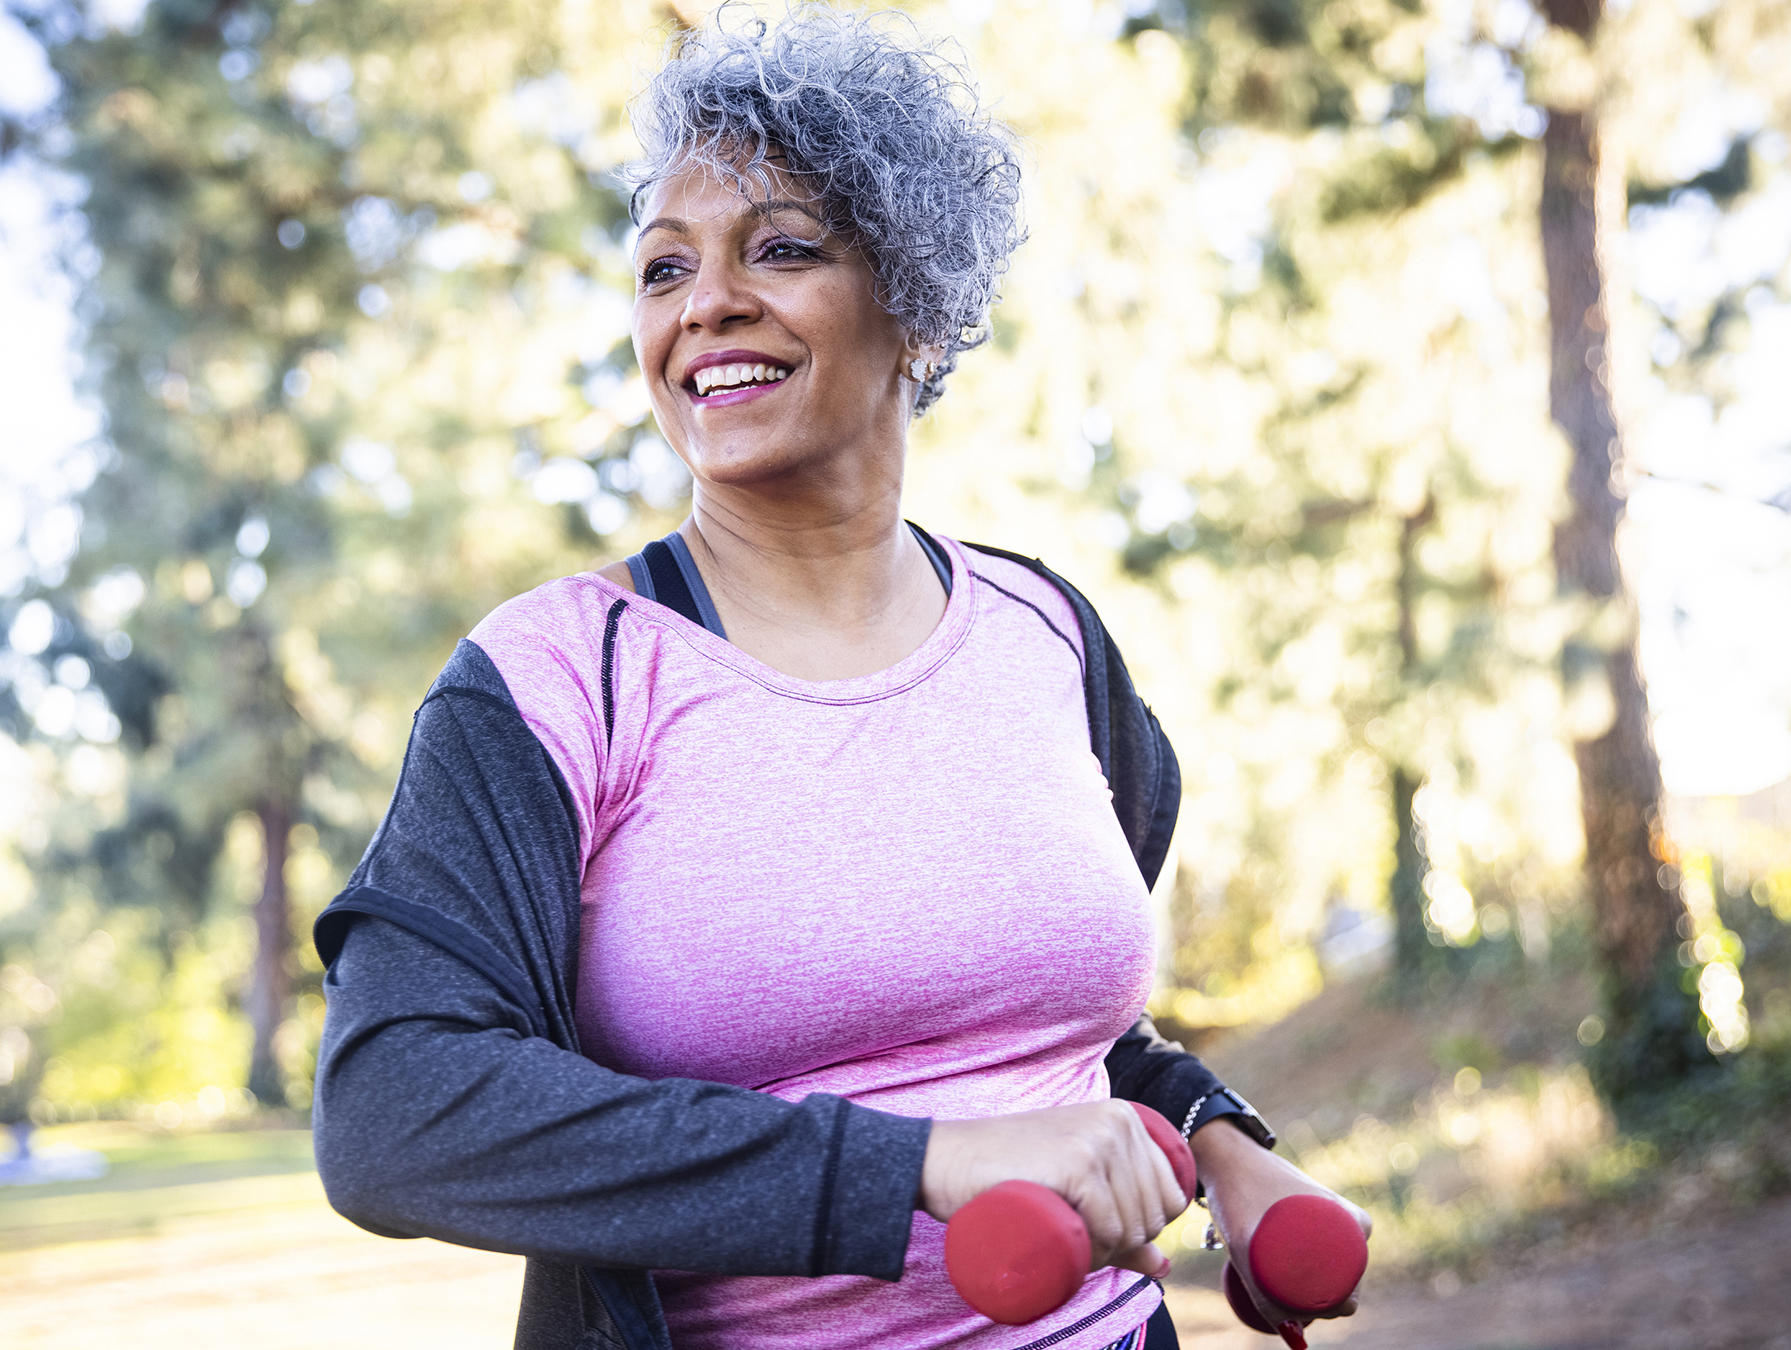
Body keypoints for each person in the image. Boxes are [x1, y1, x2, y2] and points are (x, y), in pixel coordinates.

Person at [311, 9, 1366, 1349]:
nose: (704, 305)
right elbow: (394, 1109)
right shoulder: (555, 678)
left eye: (781, 249)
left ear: (914, 303)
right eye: (663, 269)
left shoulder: (1049, 634)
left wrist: (1221, 1140)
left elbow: (1051, 1034)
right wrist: (916, 1161)